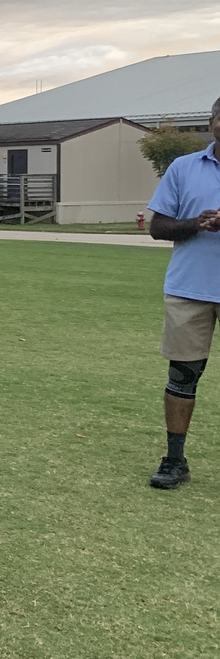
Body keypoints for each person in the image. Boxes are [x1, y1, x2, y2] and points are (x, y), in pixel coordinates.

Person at [146, 96, 220, 489]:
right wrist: (197, 223)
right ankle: (175, 460)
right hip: (190, 289)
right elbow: (157, 227)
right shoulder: (183, 167)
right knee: (182, 376)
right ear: (212, 122)